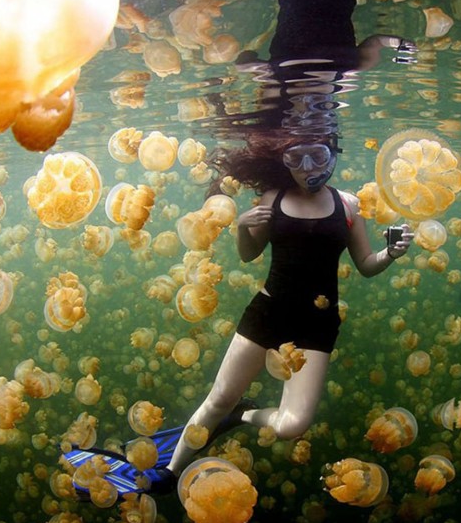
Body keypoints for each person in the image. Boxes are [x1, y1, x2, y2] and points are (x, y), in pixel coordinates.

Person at [151, 131, 413, 491]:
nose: (308, 168)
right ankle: (172, 471)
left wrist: (391, 254)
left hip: (317, 324)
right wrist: (243, 226)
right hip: (268, 311)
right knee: (217, 398)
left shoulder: (349, 205)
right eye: (296, 158)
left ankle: (241, 416)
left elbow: (366, 264)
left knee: (292, 425)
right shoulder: (272, 198)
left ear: (333, 154)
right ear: (284, 160)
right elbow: (248, 255)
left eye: (317, 157)